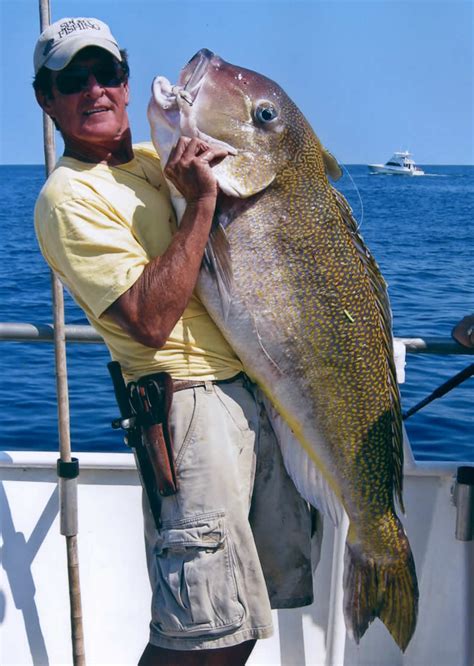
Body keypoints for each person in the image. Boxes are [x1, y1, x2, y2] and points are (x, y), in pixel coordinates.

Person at [33, 18, 315, 665]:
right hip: (185, 412)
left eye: (107, 73)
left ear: (128, 83)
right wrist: (199, 207)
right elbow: (148, 319)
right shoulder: (65, 198)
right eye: (73, 80)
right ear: (46, 101)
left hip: (249, 396)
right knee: (198, 636)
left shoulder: (158, 163)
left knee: (241, 622)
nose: (95, 89)